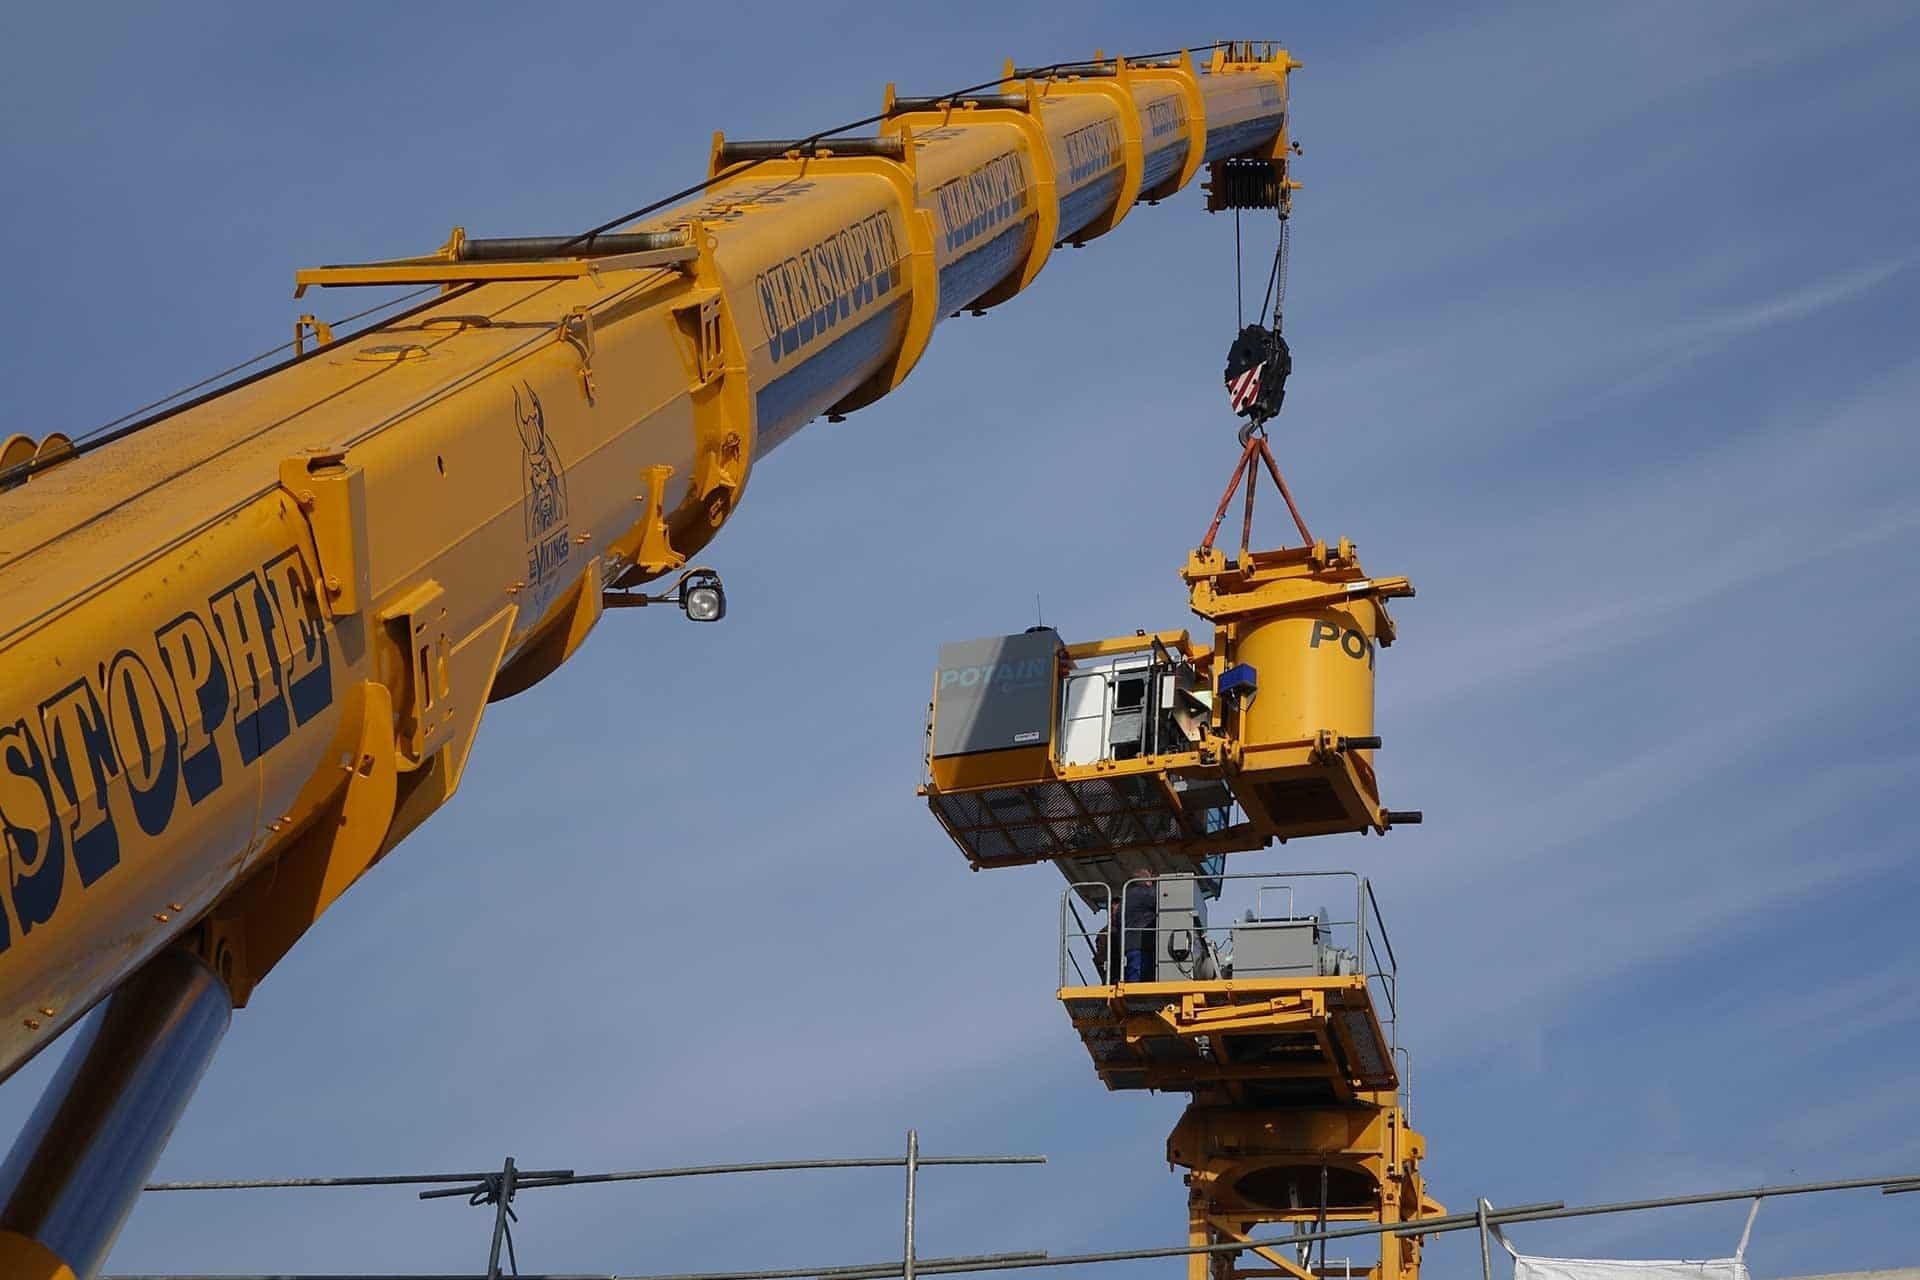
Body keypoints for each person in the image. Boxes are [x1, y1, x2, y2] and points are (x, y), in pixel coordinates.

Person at [1122, 875, 1158, 982]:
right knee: (1140, 980)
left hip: (1131, 945)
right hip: (1141, 945)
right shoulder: (1143, 894)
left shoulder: (1127, 897)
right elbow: (1164, 900)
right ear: (1147, 882)